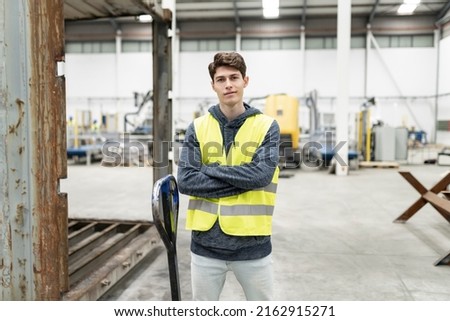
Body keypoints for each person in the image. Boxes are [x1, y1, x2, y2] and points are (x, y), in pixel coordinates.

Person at [177, 52, 280, 301]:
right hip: (205, 247)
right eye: (221, 79)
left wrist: (209, 169)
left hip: (253, 246)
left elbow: (260, 176)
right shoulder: (198, 127)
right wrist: (241, 180)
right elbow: (187, 181)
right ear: (213, 85)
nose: (228, 84)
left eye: (234, 77)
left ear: (246, 80)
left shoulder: (267, 126)